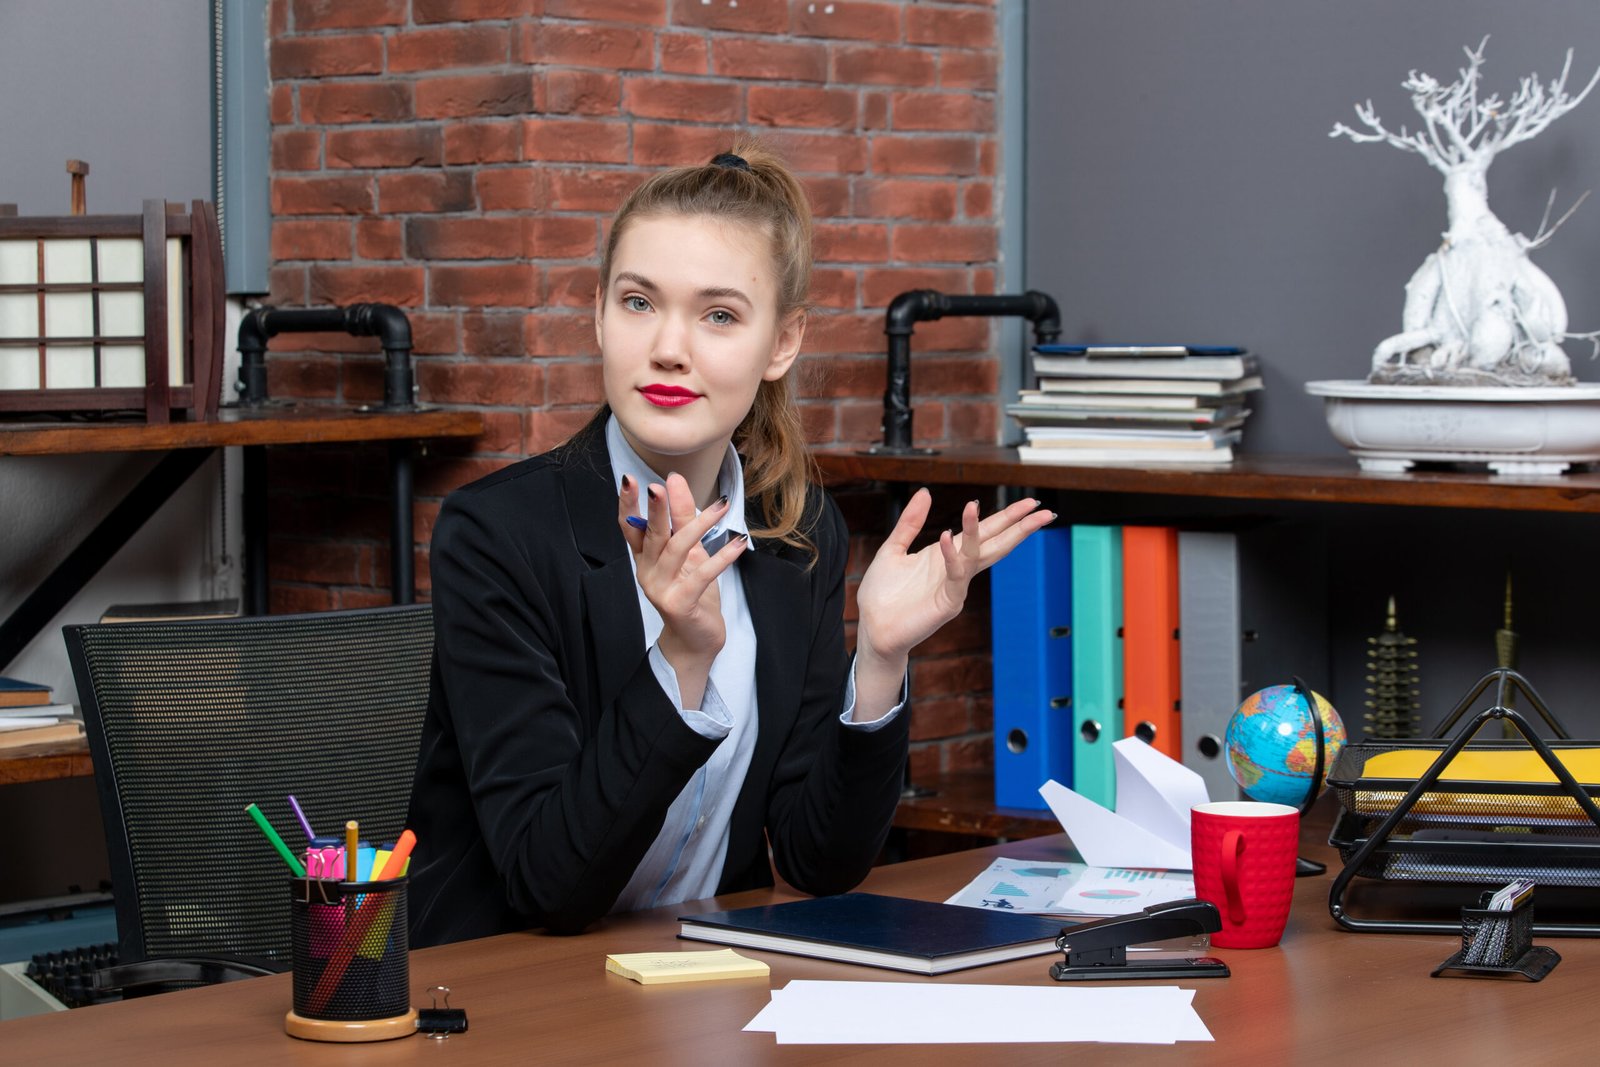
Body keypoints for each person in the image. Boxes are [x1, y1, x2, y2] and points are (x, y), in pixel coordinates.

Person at [406, 141, 1053, 945]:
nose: (669, 347)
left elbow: (819, 861)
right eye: (639, 302)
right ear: (598, 313)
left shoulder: (799, 532)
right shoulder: (497, 535)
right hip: (512, 994)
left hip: (703, 983)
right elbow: (549, 886)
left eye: (718, 315)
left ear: (782, 343)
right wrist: (680, 662)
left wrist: (881, 659)